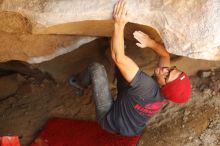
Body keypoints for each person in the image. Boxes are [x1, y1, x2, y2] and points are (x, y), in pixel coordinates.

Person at [70, 0, 192, 136]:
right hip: (132, 125)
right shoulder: (165, 91)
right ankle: (113, 42)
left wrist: (119, 23)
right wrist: (151, 43)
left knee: (96, 69)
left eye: (167, 75)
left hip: (110, 120)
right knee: (123, 63)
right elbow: (164, 56)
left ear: (164, 86)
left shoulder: (146, 87)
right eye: (171, 69)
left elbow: (118, 57)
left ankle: (78, 83)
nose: (165, 70)